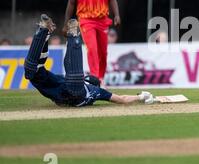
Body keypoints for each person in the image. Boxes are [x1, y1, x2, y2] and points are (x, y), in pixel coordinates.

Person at [24, 14, 155, 107]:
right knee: (33, 71)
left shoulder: (96, 90)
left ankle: (45, 32)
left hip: (67, 91)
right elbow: (122, 99)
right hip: (69, 91)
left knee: (32, 71)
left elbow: (123, 99)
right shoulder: (97, 91)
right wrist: (141, 97)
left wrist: (142, 96)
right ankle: (68, 36)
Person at [63, 0, 121, 83]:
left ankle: (100, 78)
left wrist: (116, 15)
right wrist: (66, 23)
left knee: (103, 52)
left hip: (102, 20)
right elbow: (71, 3)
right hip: (86, 20)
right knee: (92, 49)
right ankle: (95, 78)